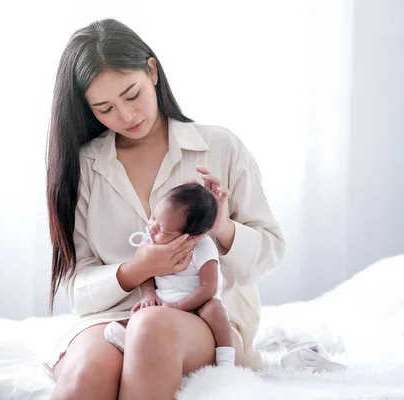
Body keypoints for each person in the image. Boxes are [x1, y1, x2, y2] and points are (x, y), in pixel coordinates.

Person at [46, 18, 285, 400]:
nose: (126, 117)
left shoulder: (220, 147)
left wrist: (222, 229)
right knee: (85, 378)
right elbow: (79, 289)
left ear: (152, 71)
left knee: (150, 328)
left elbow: (270, 253)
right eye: (105, 108)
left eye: (132, 95)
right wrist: (139, 269)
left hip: (203, 319)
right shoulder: (85, 165)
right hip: (112, 317)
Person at [103, 183, 236, 367]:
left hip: (197, 305)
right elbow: (145, 273)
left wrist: (179, 306)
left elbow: (209, 288)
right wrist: (149, 295)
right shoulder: (150, 241)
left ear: (189, 237)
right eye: (153, 217)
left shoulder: (203, 248)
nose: (151, 228)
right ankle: (131, 342)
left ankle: (226, 358)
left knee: (214, 309)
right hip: (164, 303)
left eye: (162, 230)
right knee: (140, 313)